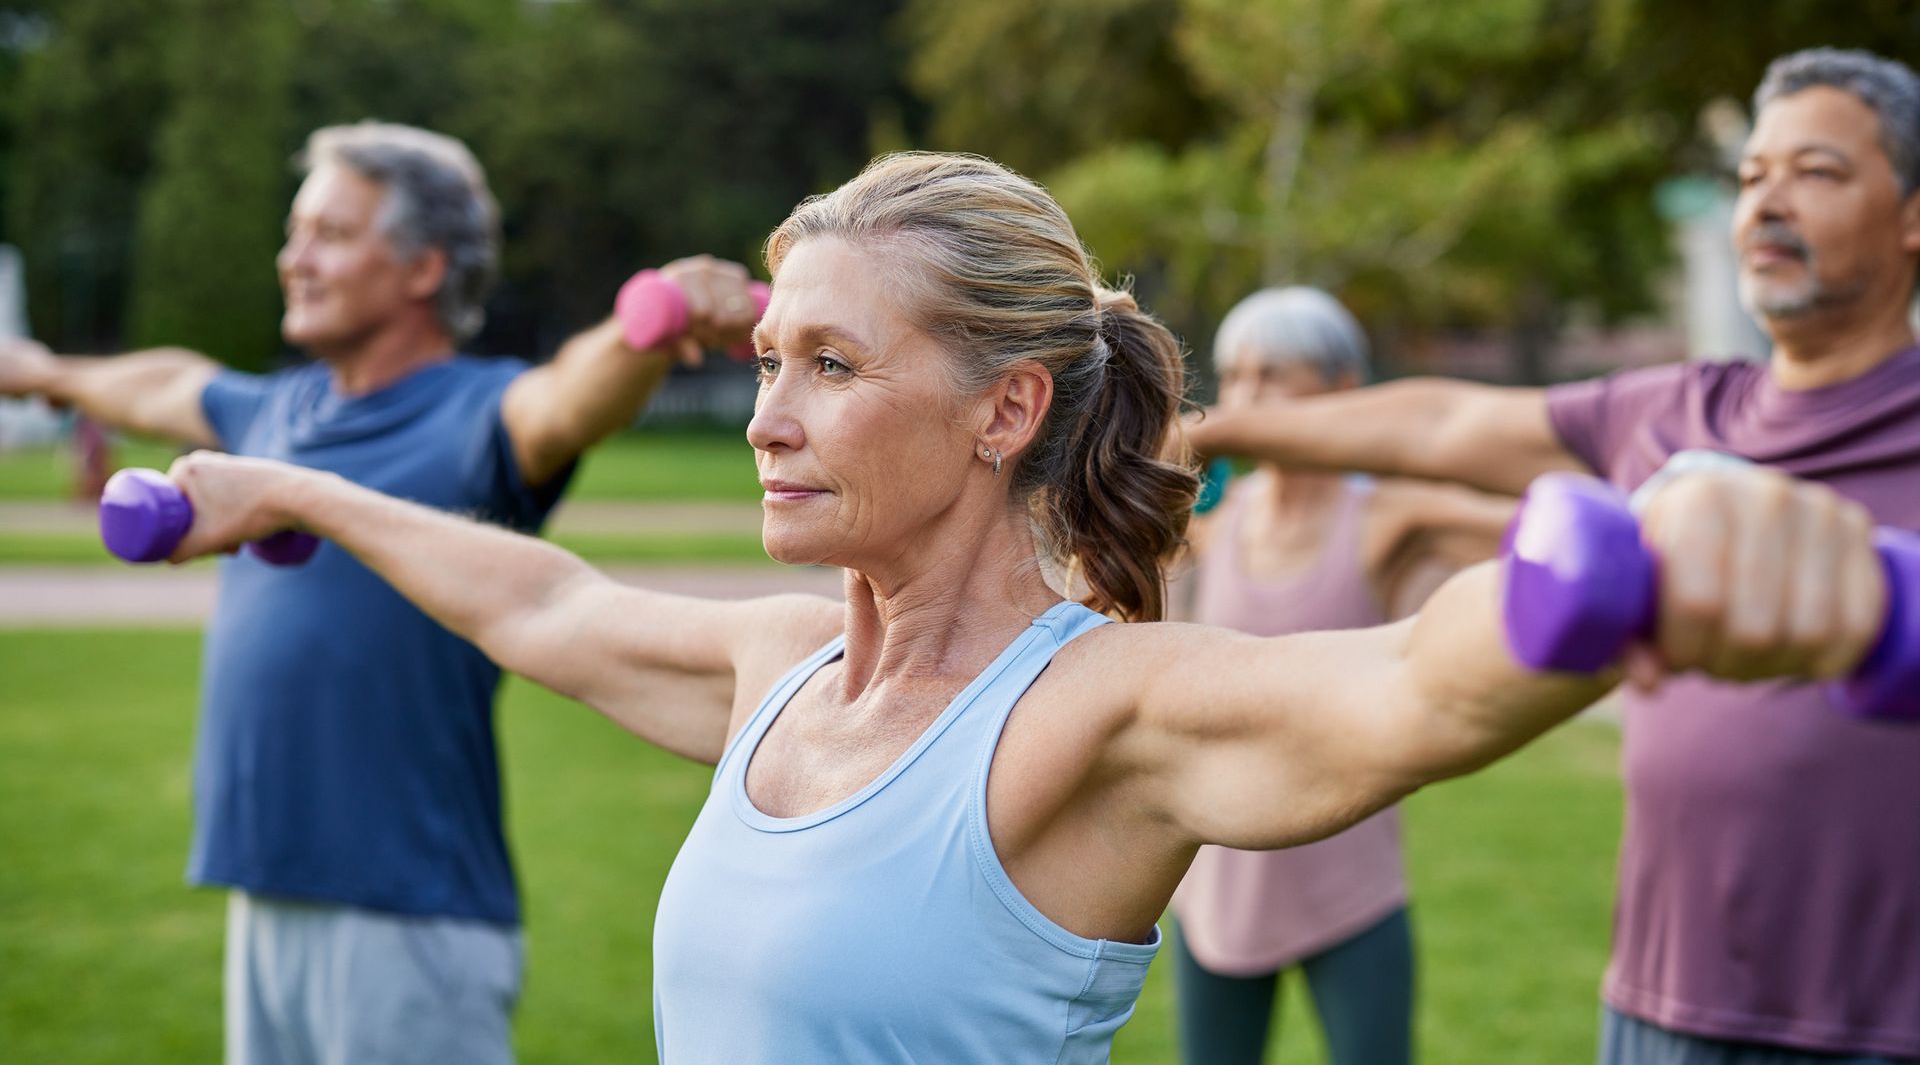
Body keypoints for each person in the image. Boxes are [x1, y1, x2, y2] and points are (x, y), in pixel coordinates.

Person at [153, 151, 1886, 1064]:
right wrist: (295, 491)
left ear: (1005, 411)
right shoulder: (782, 670)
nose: (766, 420)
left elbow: (1414, 688)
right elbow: (543, 600)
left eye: (832, 367)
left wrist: (1655, 548)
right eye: (767, 362)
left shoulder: (1101, 716)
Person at [1184, 48, 1920, 1064]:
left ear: (1912, 215)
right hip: (1661, 1010)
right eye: (1753, 175)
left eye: (1817, 171)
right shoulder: (1672, 415)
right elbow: (1440, 423)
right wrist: (1212, 432)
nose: (1768, 202)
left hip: (1886, 1023)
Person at [0, 122, 759, 1064]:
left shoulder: (477, 413)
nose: (294, 259)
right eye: (295, 233)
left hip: (408, 913)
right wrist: (44, 372)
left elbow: (567, 397)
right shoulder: (275, 413)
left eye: (330, 233)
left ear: (423, 268)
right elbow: (169, 383)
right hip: (266, 889)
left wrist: (654, 319)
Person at [1171, 286, 1513, 1065]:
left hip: (1351, 879)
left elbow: (1548, 530)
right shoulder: (1214, 522)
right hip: (1220, 884)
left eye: (1272, 376)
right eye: (1236, 375)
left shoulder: (1392, 515)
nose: (1245, 399)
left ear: (1343, 392)